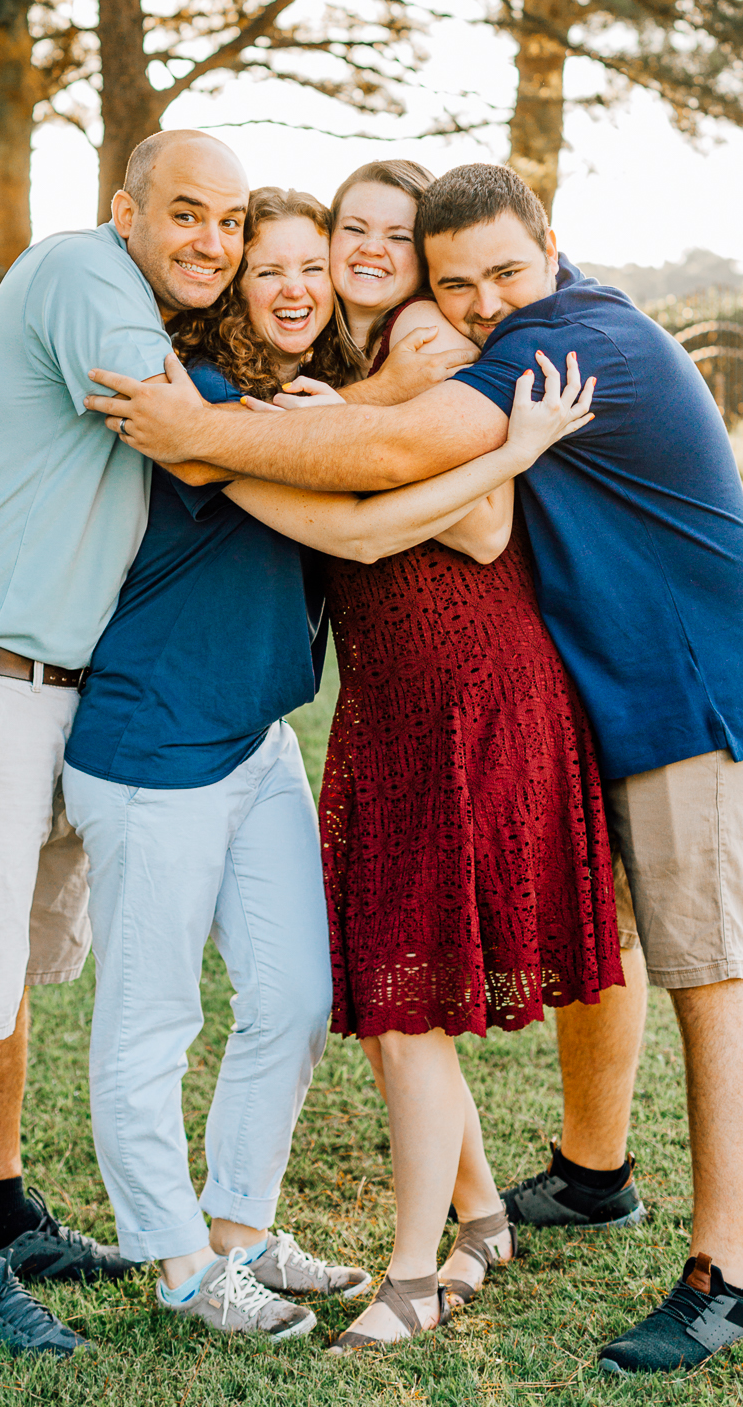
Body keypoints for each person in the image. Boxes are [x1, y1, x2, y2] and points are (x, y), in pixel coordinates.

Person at [88, 161, 743, 1381]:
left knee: (712, 967)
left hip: (691, 697)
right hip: (601, 690)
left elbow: (420, 466)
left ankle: (726, 1277)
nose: (479, 302)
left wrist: (206, 434)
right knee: (616, 952)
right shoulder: (465, 336)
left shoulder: (556, 341)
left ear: (552, 248)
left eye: (498, 274)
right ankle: (590, 1172)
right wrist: (292, 417)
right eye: (457, 277)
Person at [66, 187, 595, 1348]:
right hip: (156, 738)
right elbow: (357, 529)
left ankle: (245, 1228)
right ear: (236, 286)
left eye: (340, 252)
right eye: (274, 269)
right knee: (155, 1019)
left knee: (303, 996)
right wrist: (496, 440)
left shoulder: (346, 382)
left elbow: (461, 518)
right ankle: (180, 1260)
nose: (306, 282)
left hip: (260, 738)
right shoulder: (203, 400)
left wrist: (384, 403)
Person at [0, 129, 249, 1360]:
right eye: (187, 212)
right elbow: (186, 431)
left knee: (19, 969)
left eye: (233, 222)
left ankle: (6, 1203)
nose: (212, 241)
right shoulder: (86, 273)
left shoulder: (135, 296)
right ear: (126, 209)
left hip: (57, 690)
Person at [269, 161, 627, 1355]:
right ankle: (479, 1216)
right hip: (391, 704)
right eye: (348, 227)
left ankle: (415, 1270)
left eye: (389, 231)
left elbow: (480, 523)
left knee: (404, 1004)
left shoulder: (429, 339)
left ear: (424, 256)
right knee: (389, 987)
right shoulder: (343, 372)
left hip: (475, 687)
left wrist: (333, 428)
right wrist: (332, 414)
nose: (368, 248)